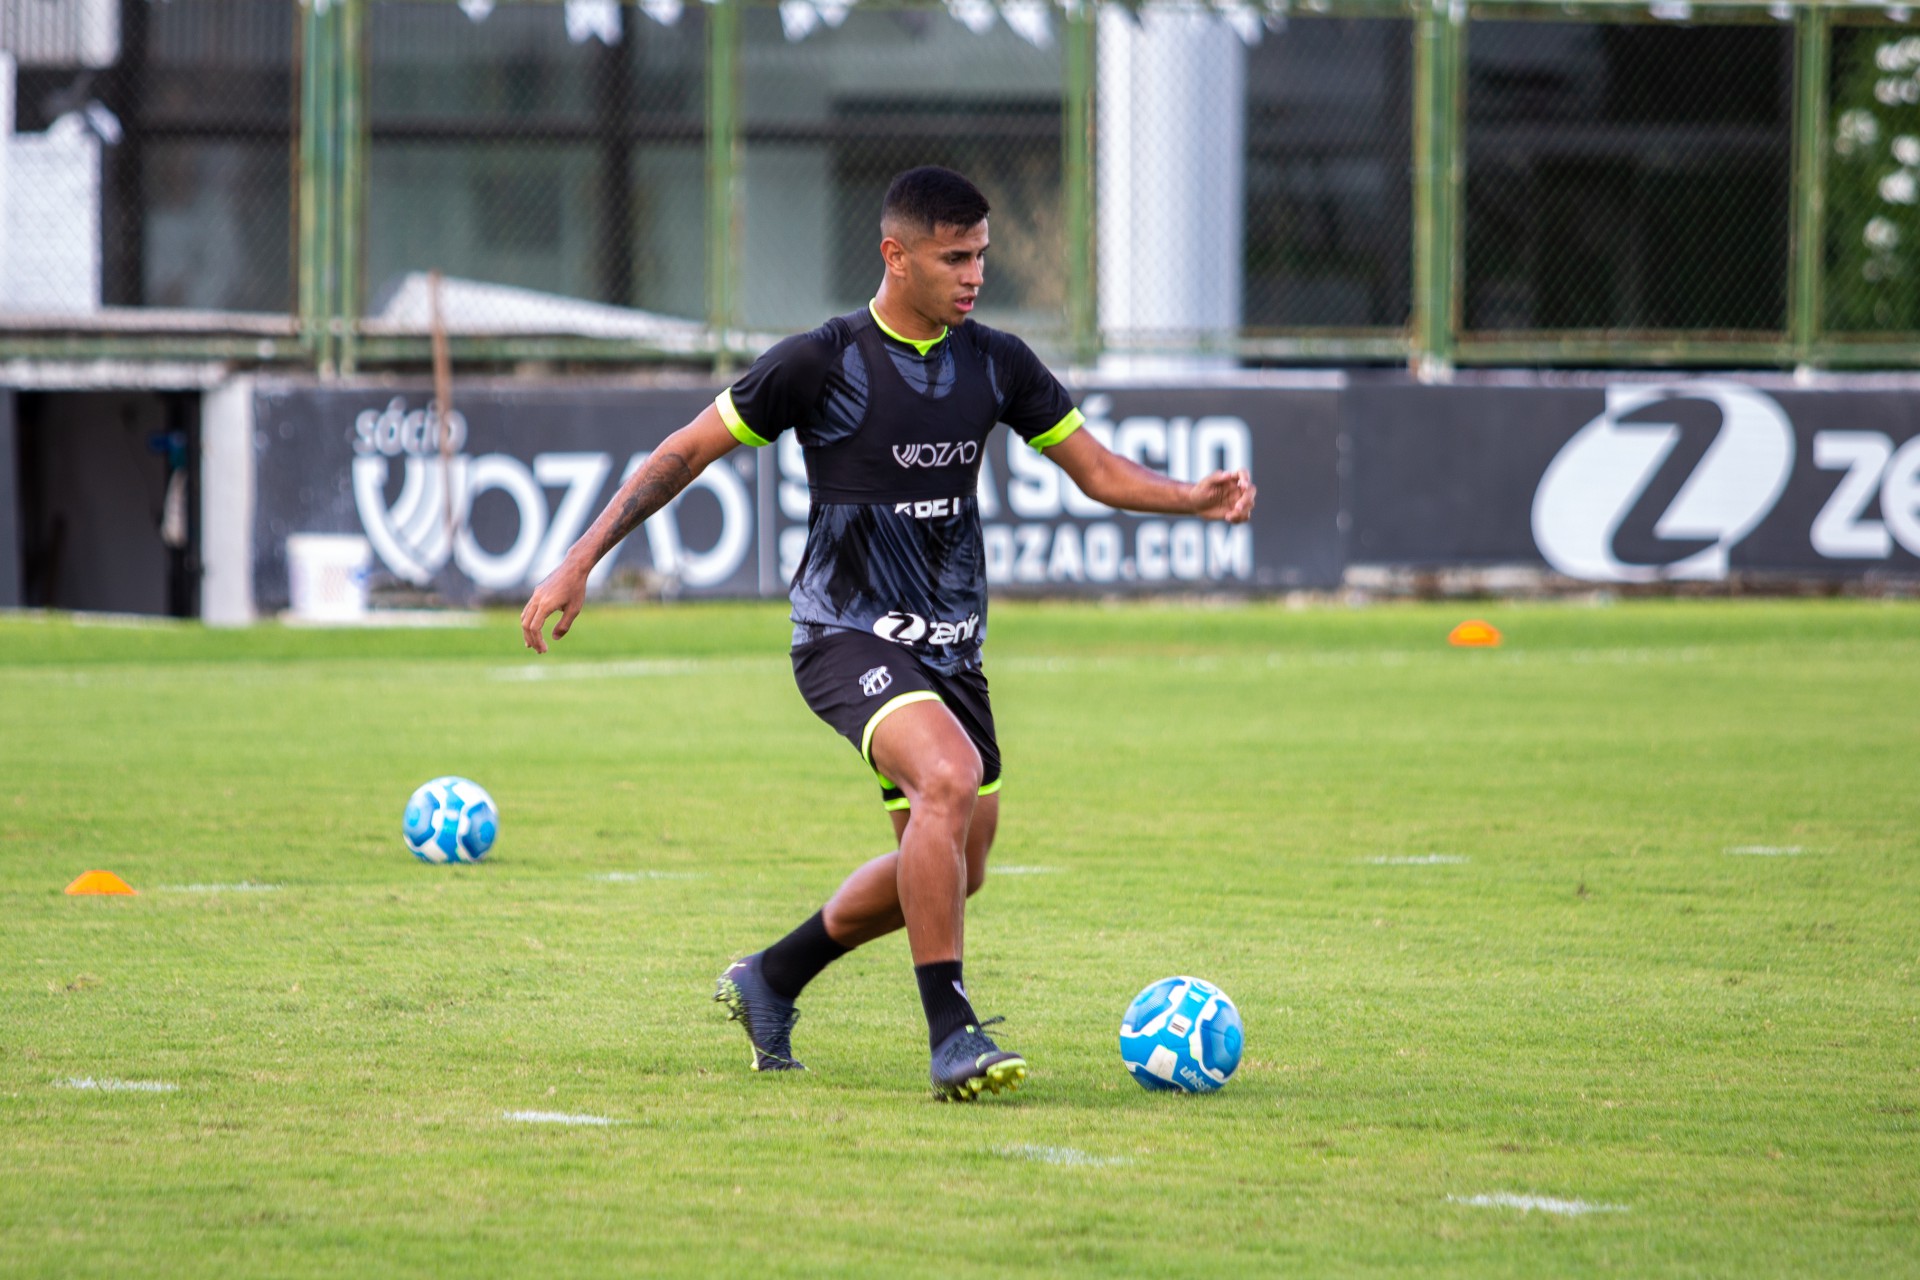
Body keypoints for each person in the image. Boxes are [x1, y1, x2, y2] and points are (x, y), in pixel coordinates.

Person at [521, 166, 1255, 1101]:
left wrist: (1191, 498)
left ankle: (772, 977)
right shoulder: (821, 363)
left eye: (981, 256)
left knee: (959, 861)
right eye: (955, 257)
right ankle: (954, 1035)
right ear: (894, 255)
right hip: (843, 635)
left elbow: (1099, 472)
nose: (974, 275)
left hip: (952, 648)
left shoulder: (995, 362)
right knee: (945, 778)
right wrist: (581, 557)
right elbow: (684, 453)